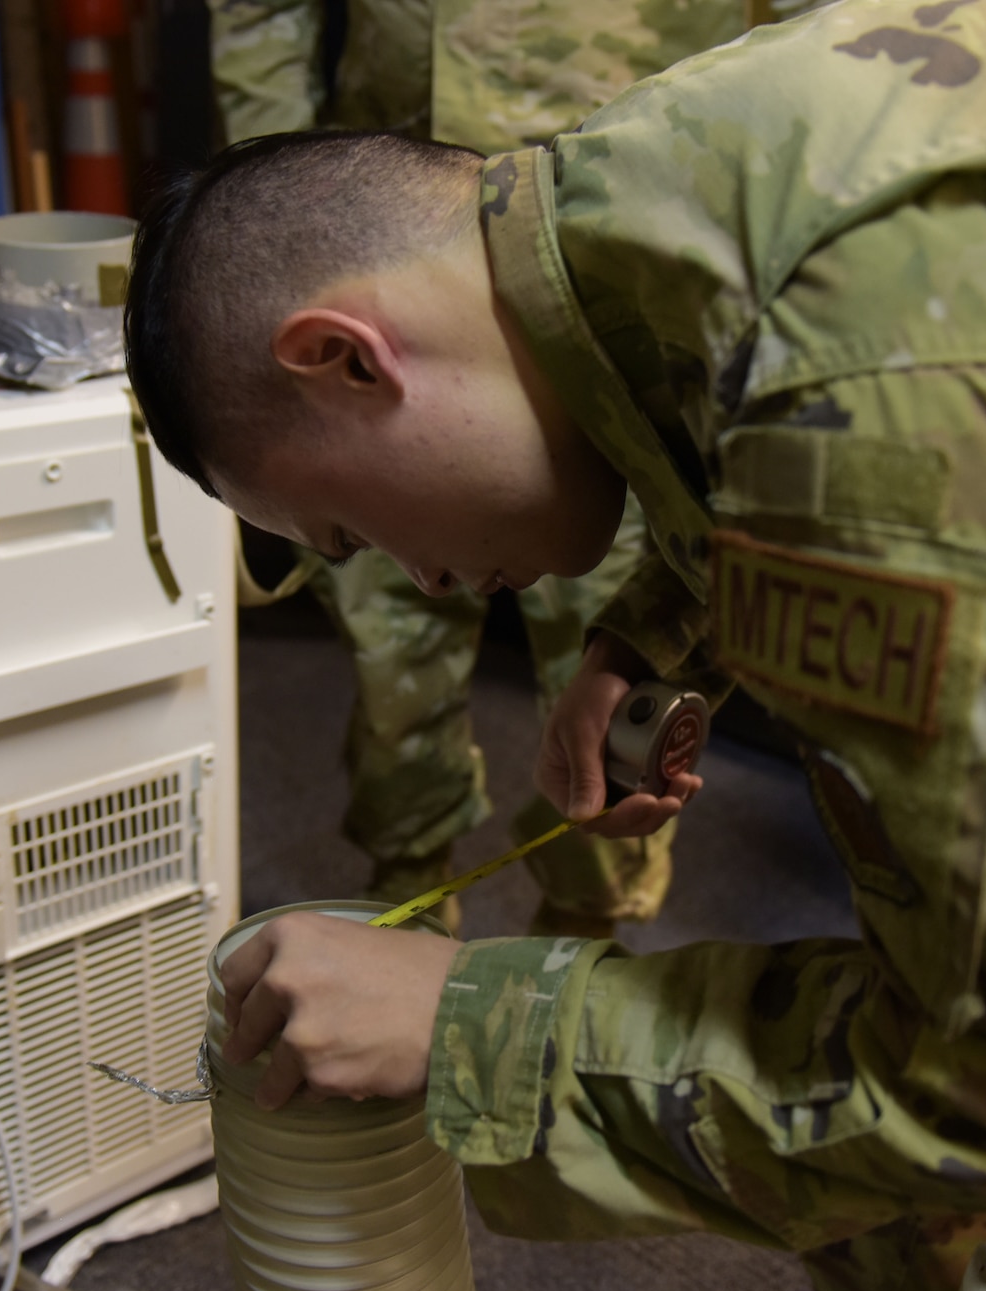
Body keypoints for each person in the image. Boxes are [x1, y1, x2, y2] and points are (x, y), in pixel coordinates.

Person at [127, 0, 986, 1291]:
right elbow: (732, 391)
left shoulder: (898, 398)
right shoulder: (629, 184)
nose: (421, 579)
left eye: (349, 529)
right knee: (893, 1137)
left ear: (345, 358)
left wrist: (480, 1022)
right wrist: (657, 632)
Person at [207, 0, 827, 935]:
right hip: (387, 218)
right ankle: (404, 921)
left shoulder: (784, 311)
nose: (426, 567)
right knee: (401, 662)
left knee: (616, 705)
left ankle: (578, 949)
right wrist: (293, 216)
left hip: (641, 203)